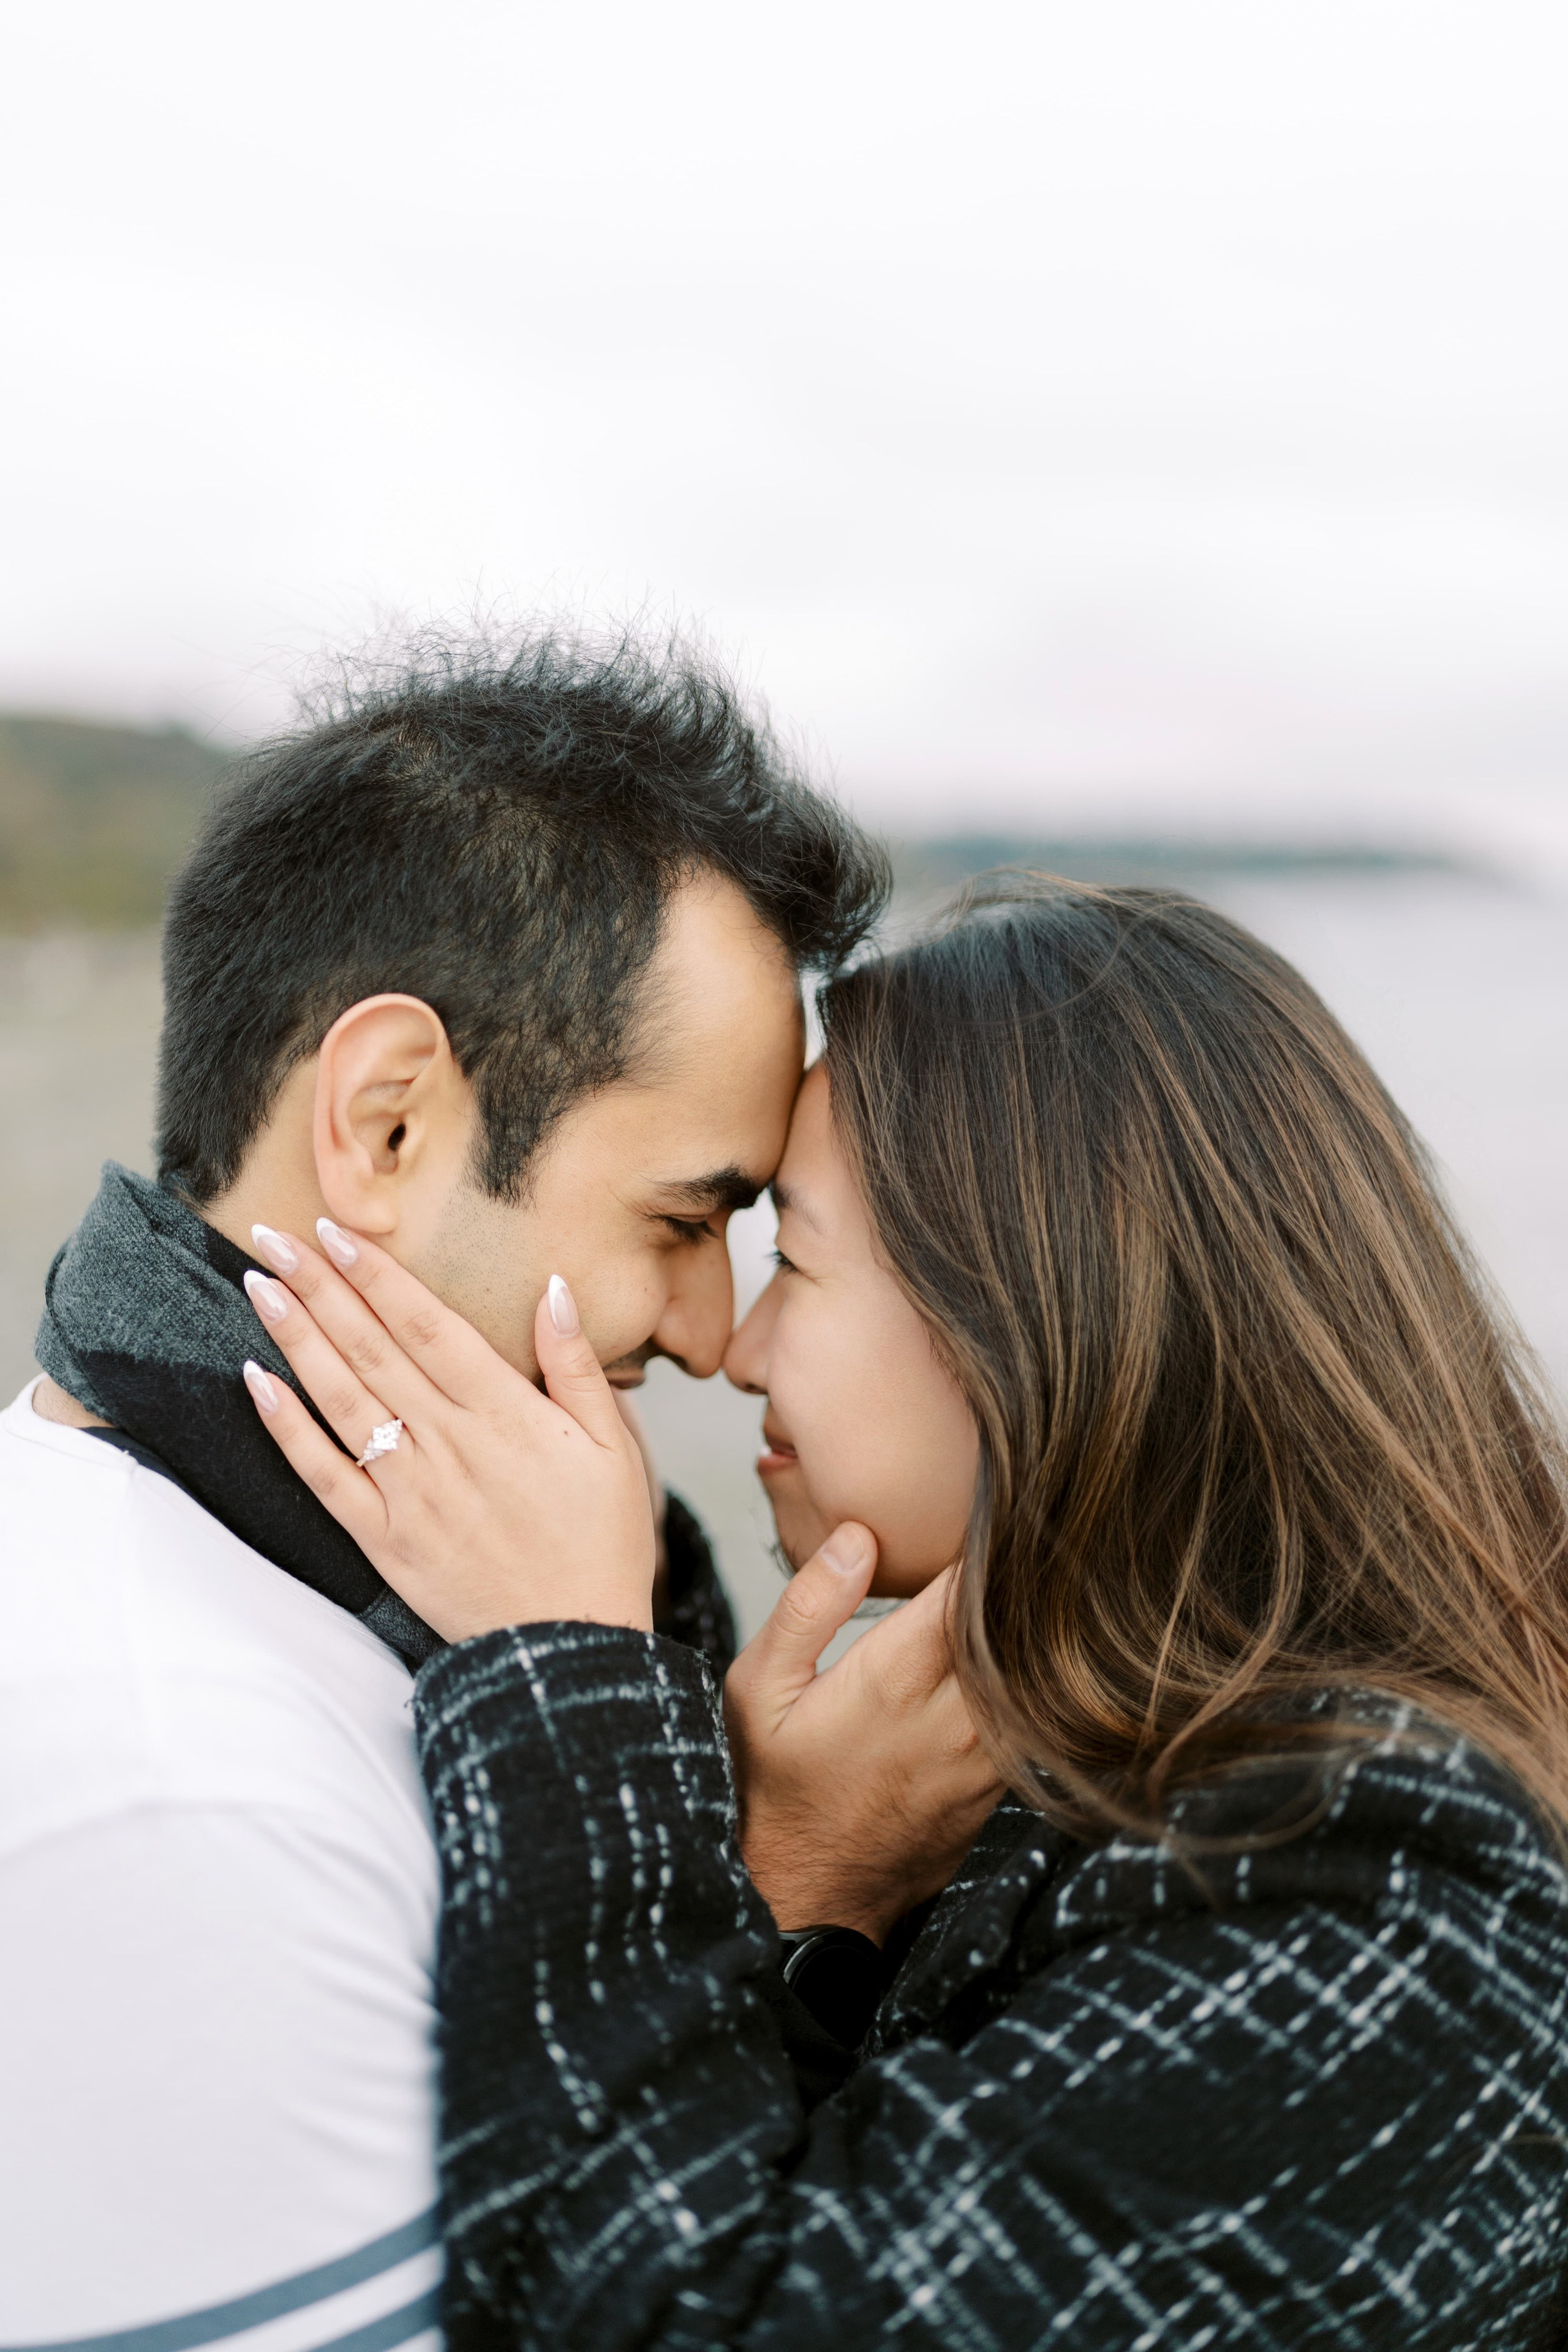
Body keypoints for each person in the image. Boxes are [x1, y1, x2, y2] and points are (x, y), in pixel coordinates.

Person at [246, 876, 1568, 2349]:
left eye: (791, 1260)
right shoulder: (1070, 1744)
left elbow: (680, 2319)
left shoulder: (1378, 1901)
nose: (731, 1349)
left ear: (1039, 1307)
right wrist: (811, 1883)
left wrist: (572, 1676)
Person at [0, 630, 885, 2345]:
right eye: (683, 1221)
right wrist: (805, 1893)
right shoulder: (188, 1794)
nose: (713, 1333)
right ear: (390, 1122)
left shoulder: (253, 1604)